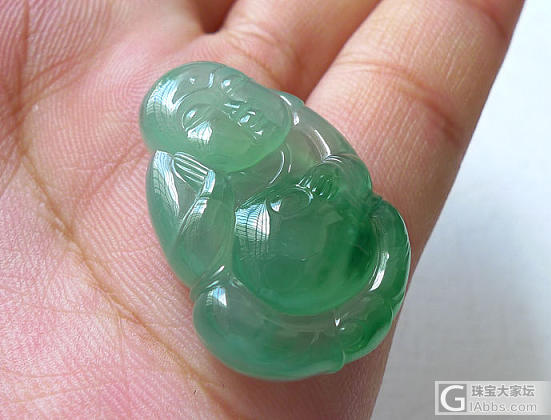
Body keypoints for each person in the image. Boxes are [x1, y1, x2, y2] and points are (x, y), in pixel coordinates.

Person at [0, 0, 524, 418]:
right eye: (207, 117)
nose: (237, 109)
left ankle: (348, 313)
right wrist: (222, 210)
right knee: (219, 315)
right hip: (279, 279)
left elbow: (345, 165)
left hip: (347, 245)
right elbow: (202, 263)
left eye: (233, 90)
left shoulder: (289, 119)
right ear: (189, 147)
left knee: (366, 218)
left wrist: (333, 177)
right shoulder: (179, 178)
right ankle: (325, 338)